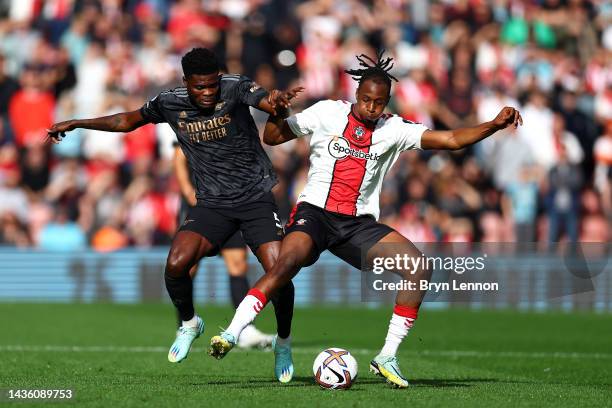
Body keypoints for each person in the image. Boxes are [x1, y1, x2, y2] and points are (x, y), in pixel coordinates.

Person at [209, 51, 522, 388]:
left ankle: (387, 356)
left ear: (387, 101)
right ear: (355, 95)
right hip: (315, 213)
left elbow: (450, 139)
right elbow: (272, 137)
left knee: (418, 267)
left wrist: (493, 124)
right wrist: (277, 113)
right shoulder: (328, 112)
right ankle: (232, 333)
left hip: (357, 225)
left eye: (379, 102)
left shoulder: (394, 128)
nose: (372, 107)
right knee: (285, 265)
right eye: (366, 100)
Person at [48, 47, 300, 383]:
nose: (208, 93)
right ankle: (190, 323)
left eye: (212, 85)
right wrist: (78, 123)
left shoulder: (235, 86)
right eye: (200, 87)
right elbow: (127, 121)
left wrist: (278, 103)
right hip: (212, 204)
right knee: (176, 264)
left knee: (279, 273)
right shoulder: (169, 101)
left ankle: (283, 342)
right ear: (186, 83)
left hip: (256, 199)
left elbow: (265, 101)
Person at [173, 145, 273, 348]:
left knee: (238, 265)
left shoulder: (232, 120)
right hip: (201, 203)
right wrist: (187, 190)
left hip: (230, 201)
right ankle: (185, 325)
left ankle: (245, 330)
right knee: (188, 268)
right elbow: (178, 155)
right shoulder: (193, 119)